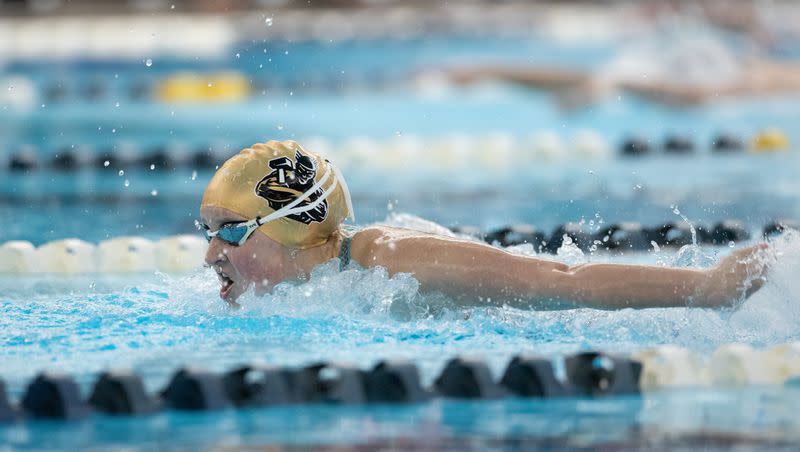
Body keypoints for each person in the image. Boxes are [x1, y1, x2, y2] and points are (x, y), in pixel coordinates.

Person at [200, 140, 771, 309]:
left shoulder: (391, 260)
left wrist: (707, 287)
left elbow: (560, 282)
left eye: (227, 231)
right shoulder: (304, 292)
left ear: (293, 224)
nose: (209, 255)